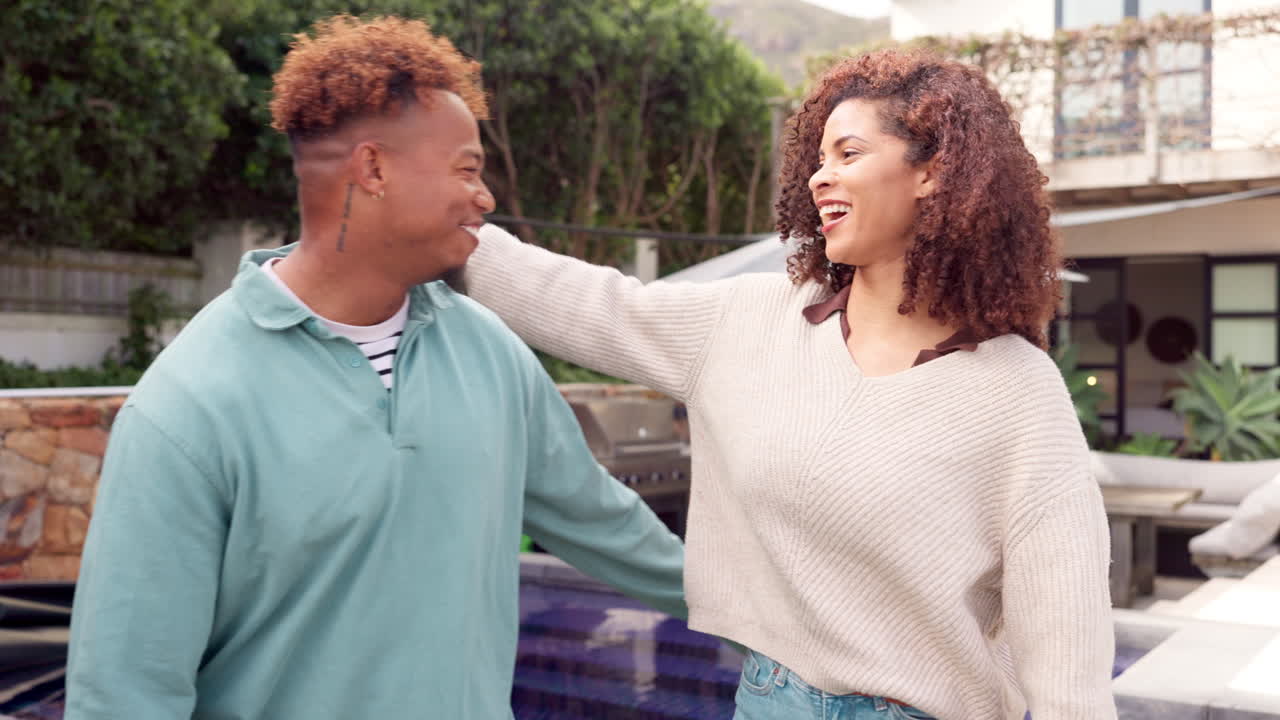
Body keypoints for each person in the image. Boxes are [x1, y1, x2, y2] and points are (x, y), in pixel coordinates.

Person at [460, 50, 1116, 719]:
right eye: (819, 159)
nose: (820, 178)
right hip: (770, 702)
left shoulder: (1017, 391)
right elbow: (595, 305)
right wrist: (442, 230)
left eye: (848, 153)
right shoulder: (751, 321)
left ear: (931, 171)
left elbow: (1067, 647)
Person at [64, 15, 685, 720]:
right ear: (373, 169)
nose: (484, 198)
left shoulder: (492, 355)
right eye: (467, 170)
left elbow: (608, 527)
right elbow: (125, 692)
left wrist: (776, 618)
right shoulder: (188, 408)